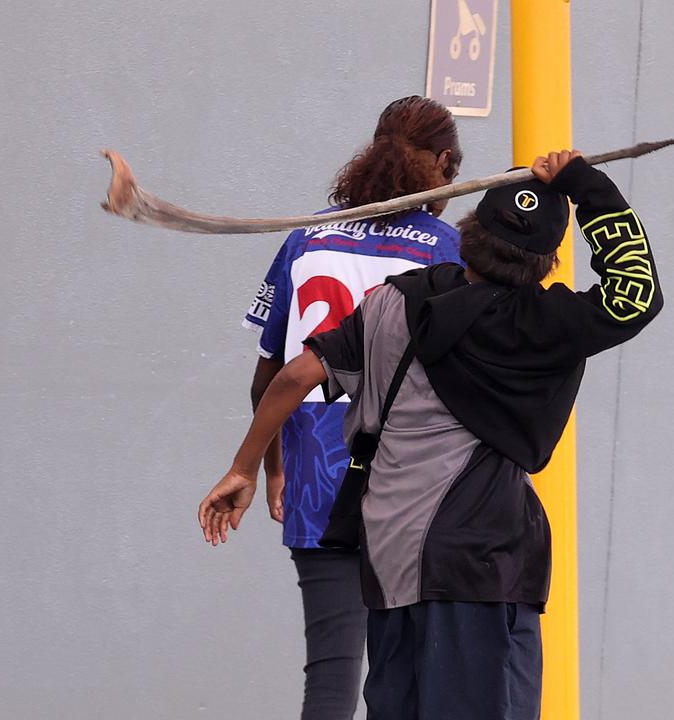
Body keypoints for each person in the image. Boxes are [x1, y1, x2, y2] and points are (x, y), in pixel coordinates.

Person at [203, 149, 663, 719]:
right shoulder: (547, 326)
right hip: (478, 562)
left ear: (468, 233)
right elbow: (635, 291)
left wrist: (244, 467)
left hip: (390, 558)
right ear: (546, 262)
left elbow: (295, 375)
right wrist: (586, 186)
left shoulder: (398, 300)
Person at [239, 95, 464, 720]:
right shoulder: (448, 250)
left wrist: (275, 465)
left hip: (315, 469)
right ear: (445, 163)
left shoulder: (306, 237)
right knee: (414, 679)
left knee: (332, 678)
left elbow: (270, 374)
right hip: (412, 480)